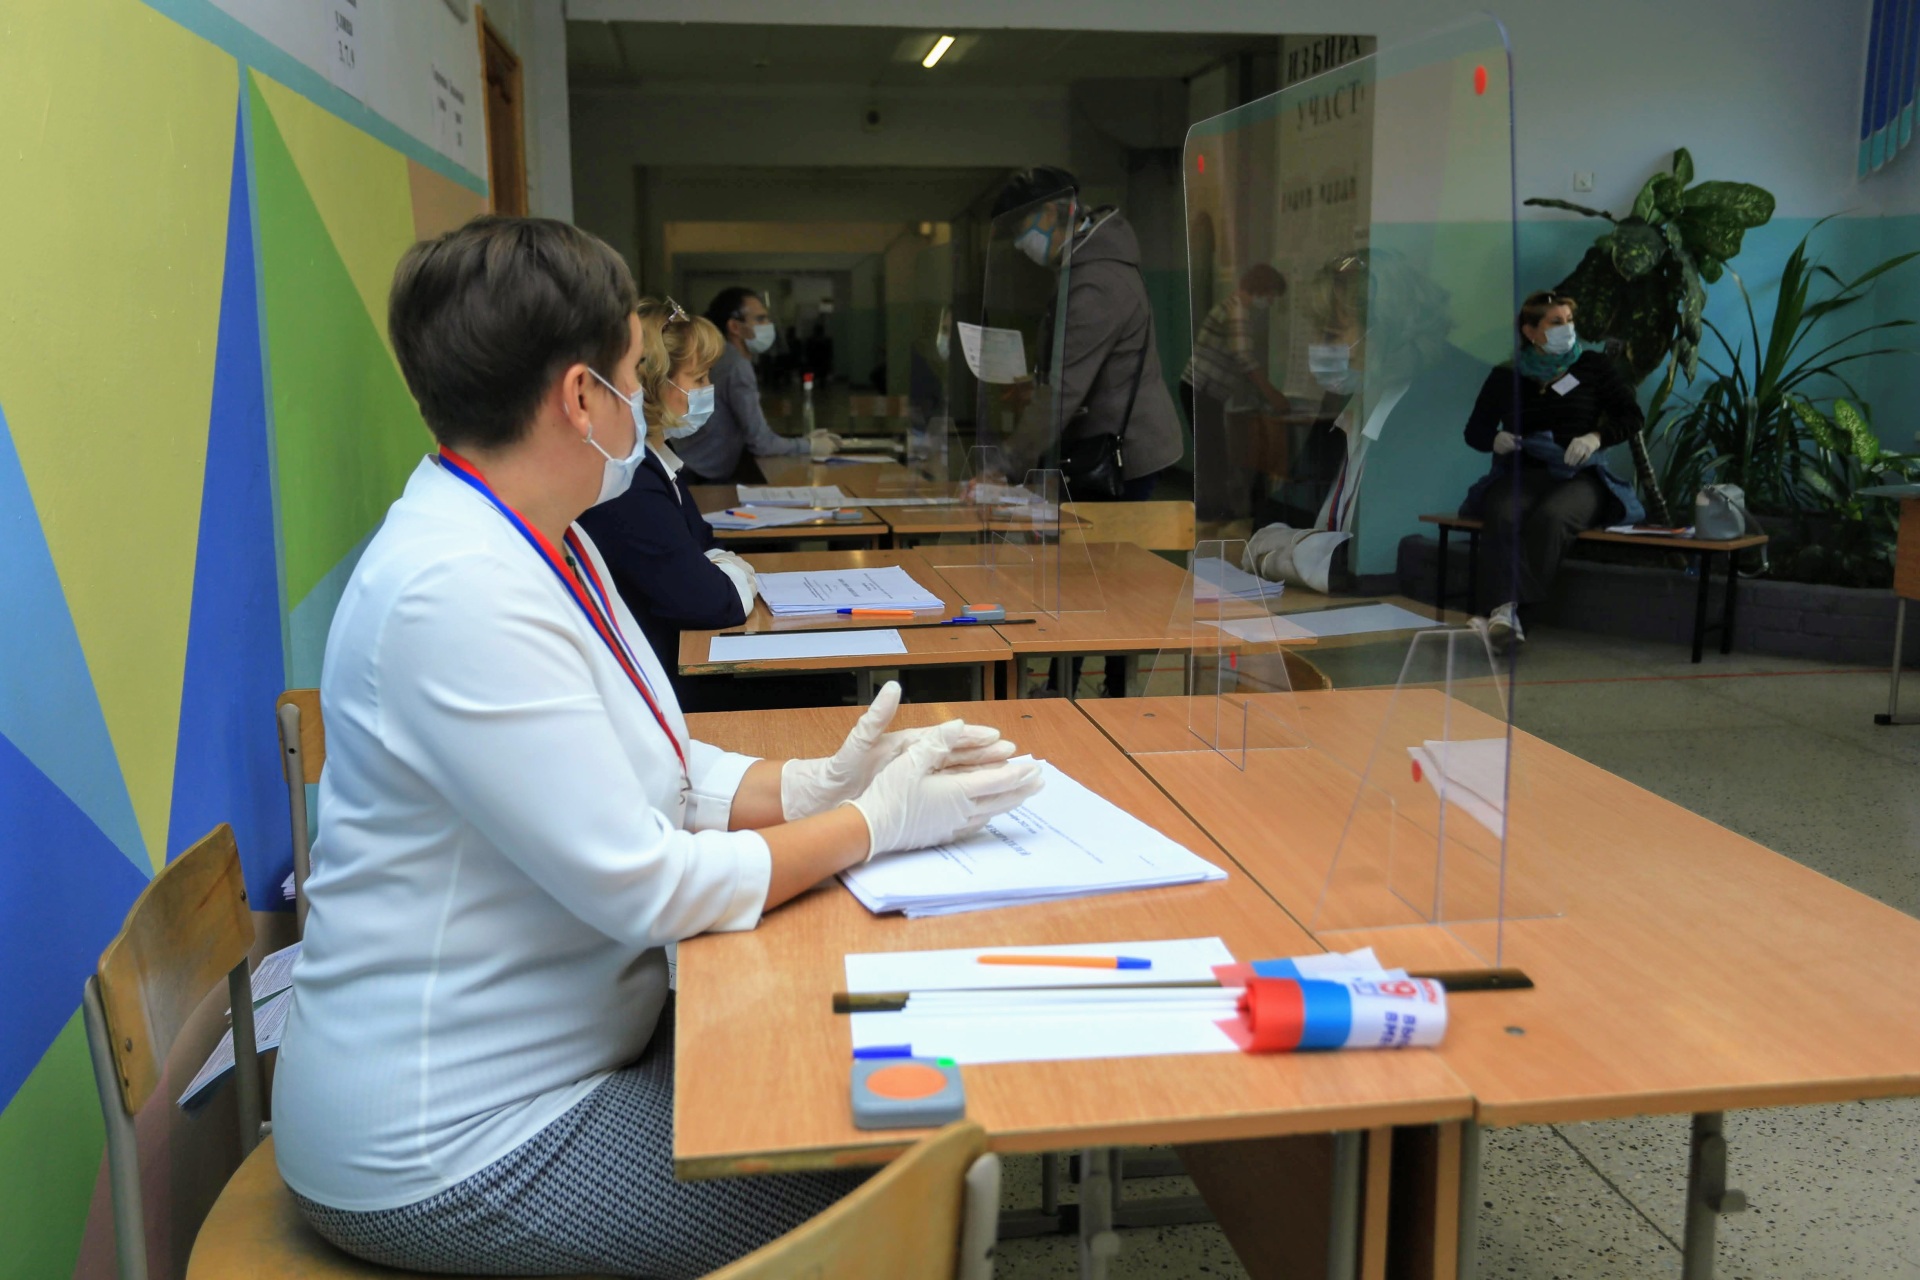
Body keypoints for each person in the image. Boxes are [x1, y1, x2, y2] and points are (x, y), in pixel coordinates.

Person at [272, 215, 1042, 1278]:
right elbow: (647, 885)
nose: (650, 397)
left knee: (848, 1069)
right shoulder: (456, 592)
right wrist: (871, 825)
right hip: (451, 1137)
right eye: (638, 372)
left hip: (571, 1044)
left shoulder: (544, 535)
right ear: (580, 397)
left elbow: (651, 760)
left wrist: (809, 783)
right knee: (891, 1180)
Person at [577, 298, 757, 688]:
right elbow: (713, 602)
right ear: (652, 385)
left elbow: (706, 543)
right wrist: (733, 575)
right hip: (660, 683)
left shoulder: (658, 461)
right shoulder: (630, 482)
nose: (708, 390)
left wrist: (720, 572)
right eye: (700, 378)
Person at [1460, 290, 1645, 648]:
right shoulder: (1506, 375)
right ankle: (1506, 614)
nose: (1567, 328)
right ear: (1531, 331)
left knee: (1553, 517)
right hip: (1524, 472)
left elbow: (1631, 416)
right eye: (1556, 322)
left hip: (1580, 476)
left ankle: (1509, 613)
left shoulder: (1592, 366)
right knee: (1503, 512)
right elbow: (1475, 431)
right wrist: (1494, 439)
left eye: (1569, 321)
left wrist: (1595, 437)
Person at [990, 166, 1184, 503]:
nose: (1021, 245)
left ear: (1050, 213)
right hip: (1105, 442)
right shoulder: (1085, 265)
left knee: (1103, 539)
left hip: (1120, 456)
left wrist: (1006, 465)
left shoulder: (1095, 282)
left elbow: (1063, 390)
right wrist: (1037, 386)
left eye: (1022, 230)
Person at [677, 287, 840, 484]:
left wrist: (802, 442)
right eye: (760, 319)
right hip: (700, 477)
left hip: (689, 464)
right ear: (735, 326)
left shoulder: (720, 356)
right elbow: (761, 443)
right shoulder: (736, 366)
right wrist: (809, 445)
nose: (768, 325)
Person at [1180, 263, 1290, 525]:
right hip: (1202, 390)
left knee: (1211, 452)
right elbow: (1243, 358)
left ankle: (1210, 509)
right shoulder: (1237, 311)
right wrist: (1272, 394)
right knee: (1212, 453)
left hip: (1201, 389)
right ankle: (1211, 512)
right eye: (1271, 295)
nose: (1271, 302)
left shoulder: (1232, 307)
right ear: (1262, 288)